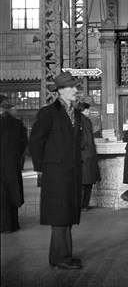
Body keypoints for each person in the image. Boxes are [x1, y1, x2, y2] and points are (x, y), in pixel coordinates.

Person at [29, 72, 84, 270]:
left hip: (71, 171)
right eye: (72, 87)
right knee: (60, 213)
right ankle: (61, 258)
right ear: (60, 90)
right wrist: (41, 169)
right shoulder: (47, 113)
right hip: (56, 172)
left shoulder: (76, 113)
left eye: (76, 87)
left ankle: (60, 255)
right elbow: (36, 142)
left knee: (67, 211)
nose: (76, 90)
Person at [0, 95, 27, 234]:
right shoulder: (17, 124)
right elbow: (23, 143)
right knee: (11, 192)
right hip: (11, 164)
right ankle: (12, 224)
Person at [78, 100, 101, 211]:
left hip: (86, 154)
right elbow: (82, 137)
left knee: (86, 181)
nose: (90, 112)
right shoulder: (82, 120)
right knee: (85, 182)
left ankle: (84, 204)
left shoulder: (83, 120)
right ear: (85, 110)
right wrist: (85, 146)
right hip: (85, 155)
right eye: (89, 110)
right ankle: (83, 205)